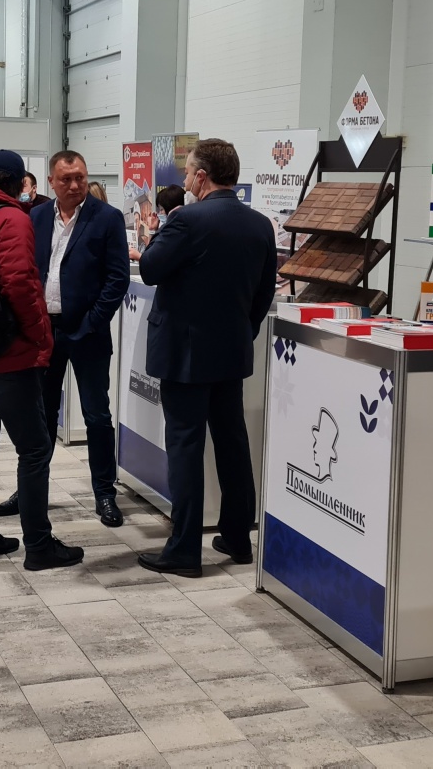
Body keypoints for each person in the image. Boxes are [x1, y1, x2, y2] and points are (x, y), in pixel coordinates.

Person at [135, 138, 277, 578]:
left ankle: (183, 549)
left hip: (184, 355)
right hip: (231, 352)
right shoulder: (261, 225)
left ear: (201, 176)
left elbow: (150, 269)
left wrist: (161, 231)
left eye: (187, 173)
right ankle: (237, 538)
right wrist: (243, 332)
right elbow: (264, 293)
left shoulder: (187, 219)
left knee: (185, 446)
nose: (184, 181)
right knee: (232, 444)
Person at [0, 149, 83, 571]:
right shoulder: (11, 218)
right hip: (8, 351)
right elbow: (20, 283)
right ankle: (39, 545)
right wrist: (40, 336)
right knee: (35, 448)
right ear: (22, 181)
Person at [0, 150, 130, 526]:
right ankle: (30, 492)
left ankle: (104, 493)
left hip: (89, 332)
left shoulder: (107, 218)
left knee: (97, 416)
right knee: (41, 418)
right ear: (51, 181)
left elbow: (117, 279)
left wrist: (91, 323)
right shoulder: (35, 217)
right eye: (66, 179)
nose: (74, 185)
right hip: (43, 333)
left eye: (80, 177)